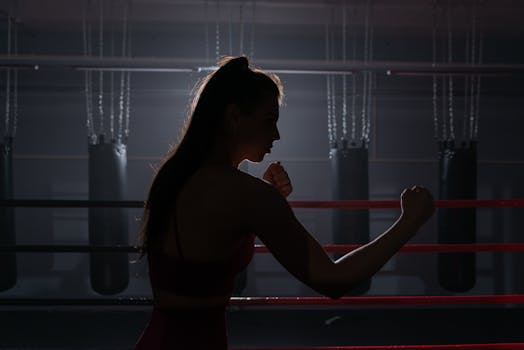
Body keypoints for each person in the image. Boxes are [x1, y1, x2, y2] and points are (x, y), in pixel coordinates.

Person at [134, 56, 435, 350]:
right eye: (269, 120)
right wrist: (409, 222)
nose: (276, 134)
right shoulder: (248, 195)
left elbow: (207, 242)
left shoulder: (176, 175)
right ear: (234, 117)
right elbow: (334, 280)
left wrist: (269, 202)